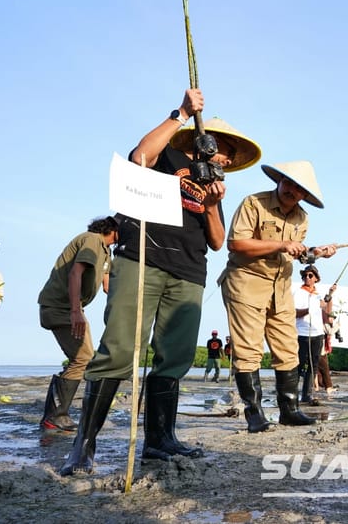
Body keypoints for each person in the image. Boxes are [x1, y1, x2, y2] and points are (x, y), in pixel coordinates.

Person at [60, 88, 257, 476]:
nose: (227, 157)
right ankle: (83, 447)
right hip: (142, 258)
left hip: (189, 271)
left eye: (232, 155)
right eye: (224, 148)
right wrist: (181, 112)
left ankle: (159, 440)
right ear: (205, 141)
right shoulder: (170, 156)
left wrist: (215, 203)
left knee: (176, 356)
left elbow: (217, 241)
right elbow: (139, 157)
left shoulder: (214, 185)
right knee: (117, 349)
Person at [220, 160, 337, 433]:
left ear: (305, 196)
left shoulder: (302, 218)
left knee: (288, 349)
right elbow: (236, 244)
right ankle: (255, 414)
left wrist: (316, 253)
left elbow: (295, 254)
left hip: (281, 287)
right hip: (246, 282)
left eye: (300, 189)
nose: (292, 190)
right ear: (279, 181)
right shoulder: (254, 203)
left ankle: (289, 410)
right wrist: (282, 243)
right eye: (289, 183)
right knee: (249, 350)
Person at [37, 216, 119, 432]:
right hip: (60, 308)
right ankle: (55, 416)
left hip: (72, 309)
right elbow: (76, 272)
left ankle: (56, 414)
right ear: (112, 229)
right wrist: (75, 311)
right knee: (82, 358)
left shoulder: (107, 251)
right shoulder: (92, 239)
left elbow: (108, 286)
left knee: (83, 358)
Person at [295, 264, 336, 403]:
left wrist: (330, 295)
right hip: (301, 333)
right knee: (298, 364)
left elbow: (328, 314)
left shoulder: (318, 294)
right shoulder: (298, 292)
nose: (307, 277)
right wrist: (310, 308)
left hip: (317, 333)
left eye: (310, 275)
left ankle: (306, 395)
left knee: (314, 365)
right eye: (305, 275)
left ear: (316, 279)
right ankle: (292, 393)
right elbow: (294, 313)